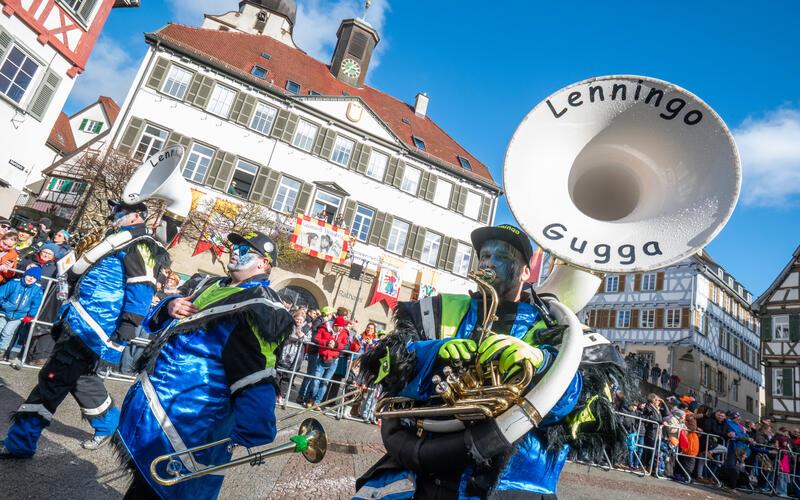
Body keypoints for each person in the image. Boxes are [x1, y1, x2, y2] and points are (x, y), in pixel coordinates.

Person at [355, 224, 605, 498]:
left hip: (511, 483)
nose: (489, 262)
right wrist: (434, 352)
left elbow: (589, 412)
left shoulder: (556, 327)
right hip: (424, 474)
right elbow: (384, 366)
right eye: (484, 256)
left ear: (525, 271)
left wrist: (542, 365)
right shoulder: (438, 309)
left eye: (502, 257)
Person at [115, 231, 295, 499]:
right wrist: (170, 306)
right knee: (144, 480)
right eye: (234, 246)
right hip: (156, 401)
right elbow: (156, 321)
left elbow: (256, 367)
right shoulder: (206, 283)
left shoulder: (259, 304)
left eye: (245, 250)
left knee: (162, 488)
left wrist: (255, 423)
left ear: (264, 264)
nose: (235, 251)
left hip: (192, 418)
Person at [0, 200, 167, 458]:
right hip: (80, 319)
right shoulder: (118, 238)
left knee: (53, 379)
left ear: (137, 216)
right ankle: (112, 427)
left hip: (95, 327)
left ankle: (20, 441)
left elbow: (142, 287)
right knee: (80, 378)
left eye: (121, 211)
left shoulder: (142, 243)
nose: (115, 214)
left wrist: (128, 325)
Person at [0, 266, 44, 355]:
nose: (31, 278)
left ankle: (1, 350)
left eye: (34, 277)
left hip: (19, 316)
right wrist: (4, 304)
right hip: (4, 312)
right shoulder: (14, 283)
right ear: (25, 275)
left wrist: (30, 315)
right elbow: (1, 293)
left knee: (7, 332)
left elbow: (36, 304)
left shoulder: (37, 290)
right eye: (30, 275)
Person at [311, 312, 350, 406]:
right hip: (321, 358)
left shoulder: (344, 333)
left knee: (325, 382)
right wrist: (326, 343)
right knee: (316, 380)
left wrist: (336, 345)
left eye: (342, 326)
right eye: (338, 326)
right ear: (334, 324)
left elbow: (346, 346)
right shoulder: (324, 328)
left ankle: (317, 402)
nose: (340, 328)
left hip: (333, 360)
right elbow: (315, 338)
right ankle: (311, 399)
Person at [277, 309, 311, 405]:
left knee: (287, 377)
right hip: (284, 352)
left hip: (295, 356)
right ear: (294, 318)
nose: (298, 321)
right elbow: (281, 333)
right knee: (278, 375)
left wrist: (302, 336)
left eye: (301, 320)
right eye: (297, 319)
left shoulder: (306, 328)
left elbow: (309, 339)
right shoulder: (288, 325)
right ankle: (274, 393)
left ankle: (281, 396)